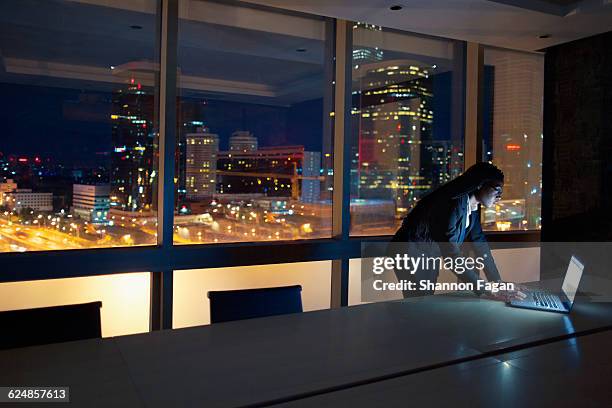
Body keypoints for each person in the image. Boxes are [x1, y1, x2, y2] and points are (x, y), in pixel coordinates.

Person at [389, 162, 525, 301]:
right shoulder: (453, 202)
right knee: (419, 303)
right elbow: (451, 254)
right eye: (497, 190)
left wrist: (497, 282)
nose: (499, 197)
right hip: (411, 251)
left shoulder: (472, 207)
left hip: (428, 253)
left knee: (424, 302)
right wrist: (485, 289)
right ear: (480, 184)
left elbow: (479, 242)